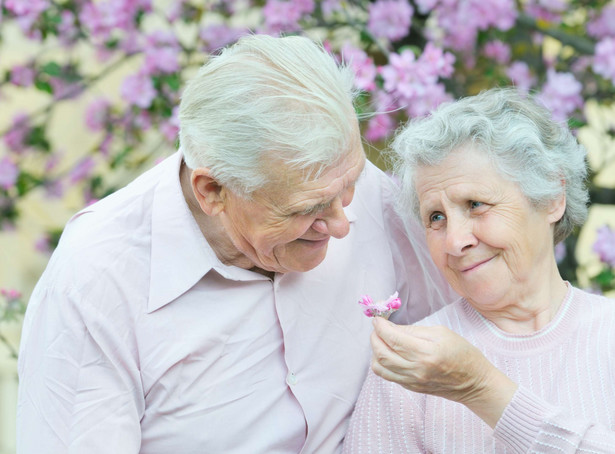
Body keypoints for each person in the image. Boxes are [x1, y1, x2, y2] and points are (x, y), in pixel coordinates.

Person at [16, 34, 455, 453]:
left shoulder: (333, 179)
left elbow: (475, 324)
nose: (343, 225)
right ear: (212, 192)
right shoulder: (97, 280)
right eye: (307, 210)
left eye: (348, 189)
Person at [343, 88, 615, 453]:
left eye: (475, 204)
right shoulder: (412, 364)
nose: (455, 241)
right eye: (435, 217)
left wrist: (481, 388)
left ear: (552, 197)